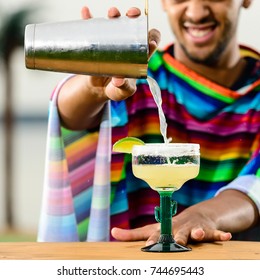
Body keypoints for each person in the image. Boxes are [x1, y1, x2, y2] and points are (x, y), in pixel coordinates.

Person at [37, 0, 260, 245]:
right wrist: (92, 88)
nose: (196, 12)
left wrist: (203, 215)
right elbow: (73, 117)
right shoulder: (136, 77)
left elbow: (255, 186)